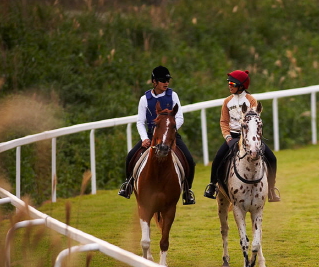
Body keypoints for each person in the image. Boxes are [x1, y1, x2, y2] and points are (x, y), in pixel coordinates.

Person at [118, 66, 196, 205]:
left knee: (189, 160)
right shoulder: (144, 99)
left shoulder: (173, 95)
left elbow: (180, 118)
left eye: (167, 80)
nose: (166, 83)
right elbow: (140, 122)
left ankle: (187, 192)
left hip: (171, 135)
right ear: (154, 82)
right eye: (162, 80)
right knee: (130, 156)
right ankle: (128, 186)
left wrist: (168, 132)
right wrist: (145, 139)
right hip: (150, 136)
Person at [203, 69, 280, 202]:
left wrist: (251, 138)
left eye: (232, 83)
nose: (229, 86)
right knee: (218, 158)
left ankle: (271, 190)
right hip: (232, 137)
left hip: (250, 137)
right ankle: (212, 185)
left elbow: (255, 121)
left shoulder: (251, 100)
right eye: (228, 83)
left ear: (241, 85)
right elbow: (224, 122)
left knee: (272, 158)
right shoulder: (227, 102)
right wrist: (228, 138)